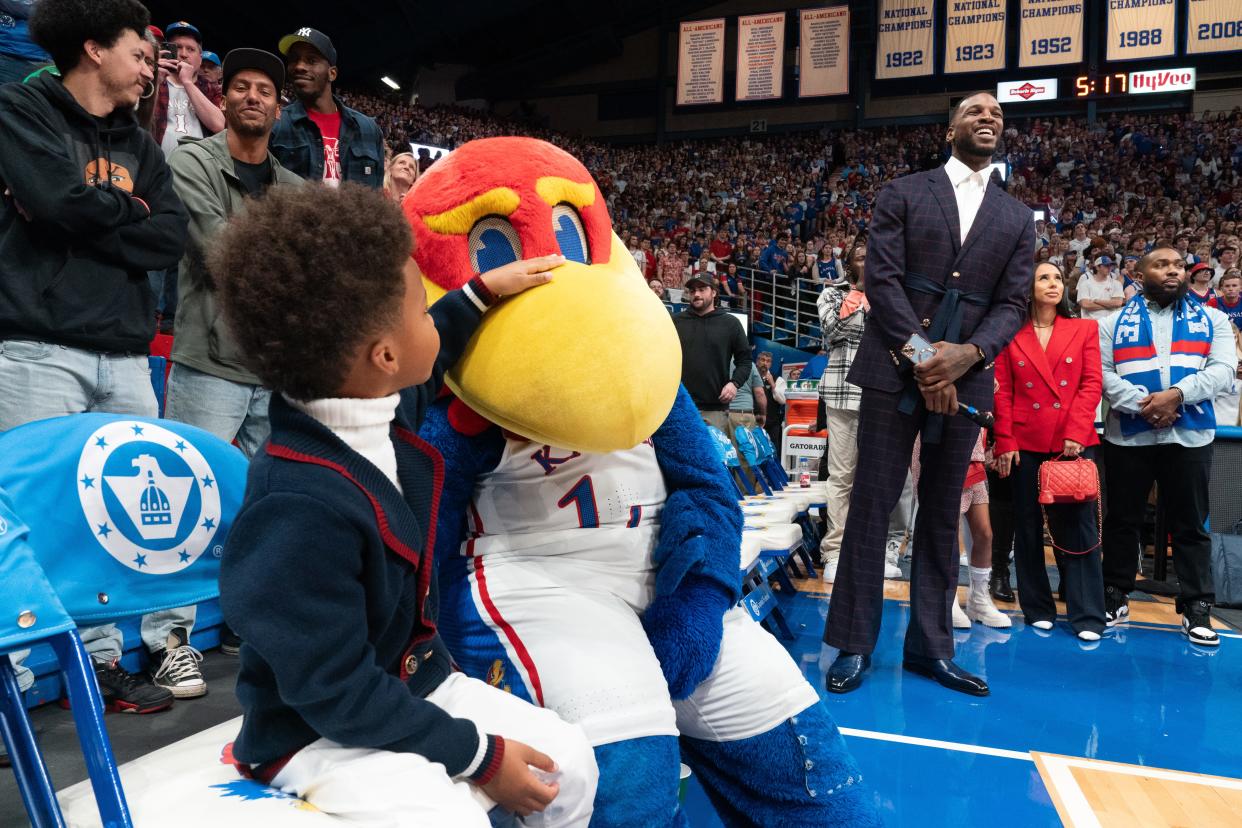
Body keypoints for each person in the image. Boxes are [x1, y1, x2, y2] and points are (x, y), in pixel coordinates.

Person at [214, 183, 596, 825]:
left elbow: (429, 346)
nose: (434, 315)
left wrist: (481, 292)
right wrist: (476, 755)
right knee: (442, 816)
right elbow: (333, 691)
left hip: (411, 687)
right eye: (423, 306)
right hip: (315, 731)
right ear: (383, 356)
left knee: (568, 764)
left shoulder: (371, 408)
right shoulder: (295, 505)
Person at [0, 0, 187, 713]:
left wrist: (90, 213)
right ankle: (9, 683)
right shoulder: (22, 111)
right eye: (139, 54)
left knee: (114, 529)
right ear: (93, 50)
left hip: (127, 357)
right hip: (37, 348)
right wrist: (120, 214)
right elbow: (52, 201)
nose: (149, 68)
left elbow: (169, 237)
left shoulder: (140, 144)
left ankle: (103, 665)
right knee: (24, 521)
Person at [822, 92, 1034, 697]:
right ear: (950, 129)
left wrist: (965, 358)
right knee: (871, 505)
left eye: (997, 112)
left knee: (944, 514)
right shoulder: (904, 192)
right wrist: (925, 362)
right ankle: (853, 644)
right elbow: (882, 283)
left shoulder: (1017, 217)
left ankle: (931, 649)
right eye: (975, 111)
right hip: (897, 372)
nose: (988, 117)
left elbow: (1013, 304)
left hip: (966, 378)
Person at [1098, 248, 1238, 647]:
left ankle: (1196, 607)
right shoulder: (1111, 323)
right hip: (1130, 434)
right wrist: (1148, 404)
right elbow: (1104, 375)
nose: (1173, 271)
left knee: (1191, 525)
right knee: (1123, 519)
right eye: (1162, 265)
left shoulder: (1214, 319)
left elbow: (1225, 371)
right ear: (1139, 275)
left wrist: (1175, 396)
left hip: (1189, 434)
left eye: (1178, 265)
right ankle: (1115, 593)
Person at [165, 48, 301, 459]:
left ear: (278, 110)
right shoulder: (192, 161)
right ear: (224, 101)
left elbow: (313, 274)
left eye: (264, 91)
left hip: (275, 371)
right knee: (188, 491)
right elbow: (219, 249)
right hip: (209, 365)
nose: (252, 96)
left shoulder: (296, 189)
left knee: (264, 502)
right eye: (241, 87)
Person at [993, 262, 1106, 640]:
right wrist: (1005, 440)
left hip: (1072, 440)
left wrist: (1075, 430)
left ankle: (1088, 614)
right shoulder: (1012, 334)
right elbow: (1004, 392)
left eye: (1057, 278)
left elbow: (1091, 385)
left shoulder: (1084, 328)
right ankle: (1037, 606)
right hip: (1025, 442)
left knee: (1078, 525)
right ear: (1028, 287)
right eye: (1043, 277)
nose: (1053, 283)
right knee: (1025, 525)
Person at [816, 238, 904, 582]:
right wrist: (865, 301)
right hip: (843, 395)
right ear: (849, 263)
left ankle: (879, 549)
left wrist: (933, 361)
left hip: (885, 396)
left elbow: (907, 338)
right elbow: (832, 331)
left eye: (874, 255)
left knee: (882, 479)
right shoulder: (832, 294)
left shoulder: (895, 295)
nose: (868, 261)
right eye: (861, 257)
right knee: (841, 477)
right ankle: (835, 552)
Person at [271, 26, 384, 188]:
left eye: (311, 60)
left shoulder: (368, 129)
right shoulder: (276, 123)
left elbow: (376, 199)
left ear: (332, 73)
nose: (299, 66)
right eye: (294, 59)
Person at [672, 273, 751, 435]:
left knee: (715, 459)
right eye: (693, 291)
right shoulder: (676, 322)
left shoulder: (730, 323)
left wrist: (734, 384)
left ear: (714, 292)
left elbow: (745, 360)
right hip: (680, 407)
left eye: (702, 289)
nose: (697, 294)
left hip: (715, 410)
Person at [1075, 255, 1125, 320]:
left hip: (1110, 322)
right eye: (1106, 266)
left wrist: (1096, 301)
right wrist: (1110, 306)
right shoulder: (1085, 284)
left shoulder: (1116, 283)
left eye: (1111, 265)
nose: (1109, 268)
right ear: (1097, 267)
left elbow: (1118, 303)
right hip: (1091, 322)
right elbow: (1085, 305)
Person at [756, 350, 785, 451]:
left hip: (772, 424)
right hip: (754, 422)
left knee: (773, 451)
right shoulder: (751, 377)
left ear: (771, 364)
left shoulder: (778, 379)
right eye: (763, 360)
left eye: (768, 361)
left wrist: (773, 384)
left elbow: (782, 400)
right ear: (757, 361)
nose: (765, 363)